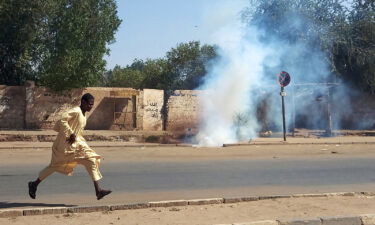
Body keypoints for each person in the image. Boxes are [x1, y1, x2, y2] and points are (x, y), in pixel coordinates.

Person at [28, 93, 112, 200]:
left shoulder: (83, 114)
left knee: (91, 160)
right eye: (90, 104)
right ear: (83, 102)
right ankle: (34, 184)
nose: (91, 106)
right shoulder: (76, 111)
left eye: (92, 104)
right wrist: (71, 133)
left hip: (76, 146)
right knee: (54, 166)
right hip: (63, 146)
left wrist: (79, 140)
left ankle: (98, 191)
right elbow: (63, 119)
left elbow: (78, 132)